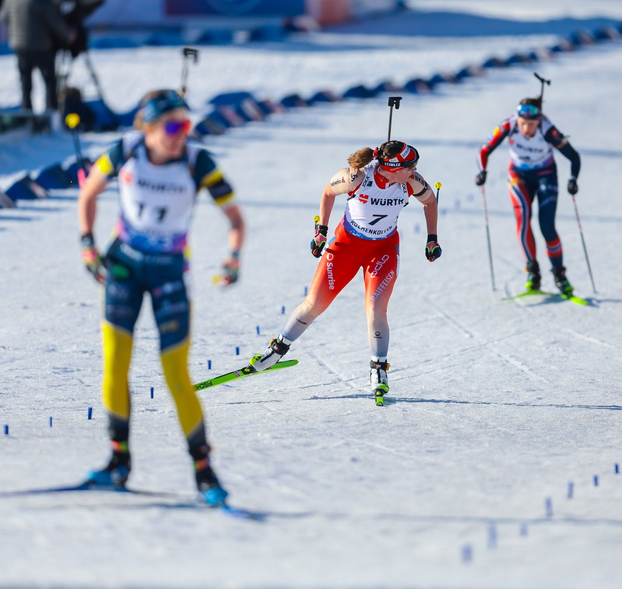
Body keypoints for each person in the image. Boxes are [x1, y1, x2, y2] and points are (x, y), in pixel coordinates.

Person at [77, 89, 245, 506]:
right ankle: (119, 462)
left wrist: (232, 258)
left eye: (186, 126)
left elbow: (236, 220)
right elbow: (88, 192)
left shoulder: (197, 161)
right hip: (124, 267)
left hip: (169, 272)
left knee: (176, 374)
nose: (180, 135)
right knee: (115, 364)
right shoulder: (124, 150)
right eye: (172, 127)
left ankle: (204, 472)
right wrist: (87, 245)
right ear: (148, 128)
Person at [249, 141, 442, 406]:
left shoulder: (411, 181)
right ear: (392, 167)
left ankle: (379, 370)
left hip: (383, 248)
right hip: (346, 246)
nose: (415, 170)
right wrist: (321, 231)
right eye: (409, 166)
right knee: (314, 304)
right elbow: (329, 192)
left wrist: (432, 238)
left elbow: (430, 202)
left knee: (376, 309)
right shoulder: (357, 177)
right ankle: (276, 350)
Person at [475, 97, 581, 295]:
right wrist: (482, 171)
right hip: (518, 175)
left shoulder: (548, 130)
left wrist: (573, 179)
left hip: (545, 175)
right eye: (523, 124)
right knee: (522, 219)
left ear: (539, 121)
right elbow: (484, 150)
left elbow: (574, 157)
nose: (526, 129)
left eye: (531, 125)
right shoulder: (509, 124)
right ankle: (533, 272)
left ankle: (559, 274)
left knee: (547, 225)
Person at [1, 0, 75, 114]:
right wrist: (68, 35)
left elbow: (5, 17)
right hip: (41, 46)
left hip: (20, 46)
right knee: (50, 84)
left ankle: (27, 115)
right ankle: (51, 115)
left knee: (26, 85)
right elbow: (54, 21)